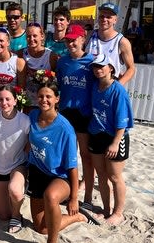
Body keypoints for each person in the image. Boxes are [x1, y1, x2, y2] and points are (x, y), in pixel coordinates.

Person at [28, 80, 95, 243]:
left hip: (60, 176)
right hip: (37, 172)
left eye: (48, 96)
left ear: (57, 99)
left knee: (51, 196)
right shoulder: (32, 115)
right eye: (41, 96)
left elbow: (72, 167)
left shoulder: (65, 129)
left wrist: (73, 198)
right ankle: (76, 218)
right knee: (42, 228)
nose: (44, 100)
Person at [89, 54, 134, 225]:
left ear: (111, 68)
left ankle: (118, 212)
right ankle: (106, 209)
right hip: (96, 134)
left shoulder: (118, 90)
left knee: (115, 177)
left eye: (102, 66)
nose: (98, 69)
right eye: (95, 66)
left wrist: (116, 142)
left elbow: (123, 120)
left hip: (114, 137)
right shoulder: (94, 86)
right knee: (101, 175)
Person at [55, 24, 96, 208]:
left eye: (74, 39)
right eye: (68, 40)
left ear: (82, 39)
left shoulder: (92, 62)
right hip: (65, 113)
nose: (70, 43)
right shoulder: (62, 62)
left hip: (84, 113)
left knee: (86, 156)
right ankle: (68, 191)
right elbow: (57, 87)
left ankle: (87, 196)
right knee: (66, 155)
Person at [0, 86, 30, 233]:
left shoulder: (24, 120)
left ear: (15, 100)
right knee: (3, 215)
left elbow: (31, 142)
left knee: (15, 191)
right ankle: (9, 207)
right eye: (0, 99)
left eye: (7, 99)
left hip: (17, 164)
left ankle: (17, 216)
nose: (4, 103)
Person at [86, 2, 135, 85]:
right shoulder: (89, 35)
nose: (104, 19)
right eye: (102, 16)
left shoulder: (122, 42)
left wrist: (118, 86)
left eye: (108, 17)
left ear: (115, 20)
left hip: (109, 86)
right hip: (88, 85)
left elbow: (131, 68)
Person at [23, 22, 59, 106]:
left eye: (35, 36)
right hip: (27, 103)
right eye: (28, 36)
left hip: (45, 103)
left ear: (42, 36)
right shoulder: (21, 54)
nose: (31, 39)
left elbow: (57, 80)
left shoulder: (51, 56)